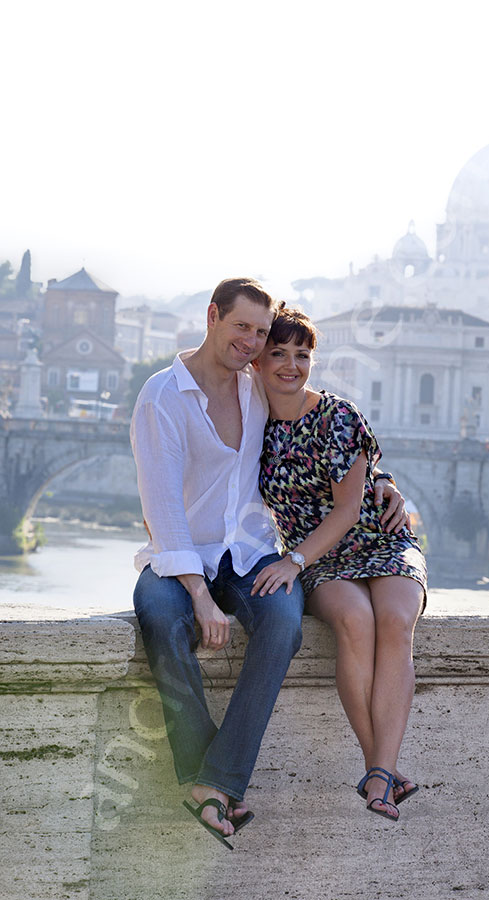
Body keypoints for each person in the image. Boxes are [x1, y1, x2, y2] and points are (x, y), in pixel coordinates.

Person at [130, 278, 405, 849]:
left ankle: (214, 782)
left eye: (261, 332)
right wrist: (200, 597)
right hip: (182, 556)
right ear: (213, 317)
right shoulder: (162, 397)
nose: (254, 343)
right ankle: (211, 780)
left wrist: (381, 483)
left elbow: (322, 432)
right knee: (159, 616)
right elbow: (163, 511)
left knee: (281, 624)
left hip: (252, 553)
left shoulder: (257, 386)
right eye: (243, 329)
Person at [251, 307, 427, 823]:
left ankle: (379, 772)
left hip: (379, 538)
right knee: (355, 621)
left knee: (395, 622)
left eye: (302, 355)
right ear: (257, 361)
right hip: (324, 558)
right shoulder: (248, 419)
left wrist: (292, 561)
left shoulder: (338, 416)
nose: (291, 365)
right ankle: (383, 772)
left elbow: (351, 508)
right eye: (278, 354)